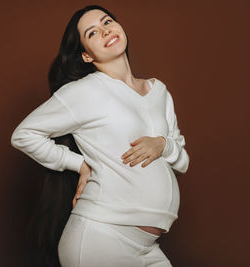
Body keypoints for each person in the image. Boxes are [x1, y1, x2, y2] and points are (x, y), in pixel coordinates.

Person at [10, 4, 189, 267]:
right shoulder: (85, 92)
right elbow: (23, 135)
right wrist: (79, 164)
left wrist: (163, 145)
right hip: (100, 240)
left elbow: (182, 162)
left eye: (107, 22)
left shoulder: (159, 91)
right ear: (85, 55)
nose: (105, 31)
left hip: (146, 247)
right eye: (92, 33)